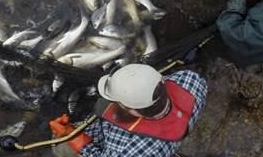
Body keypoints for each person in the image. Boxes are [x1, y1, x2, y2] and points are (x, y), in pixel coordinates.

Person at [48, 63, 207, 156]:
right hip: (168, 140)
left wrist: (74, 138)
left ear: (133, 111)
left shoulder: (127, 151)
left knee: (60, 146)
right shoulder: (191, 81)